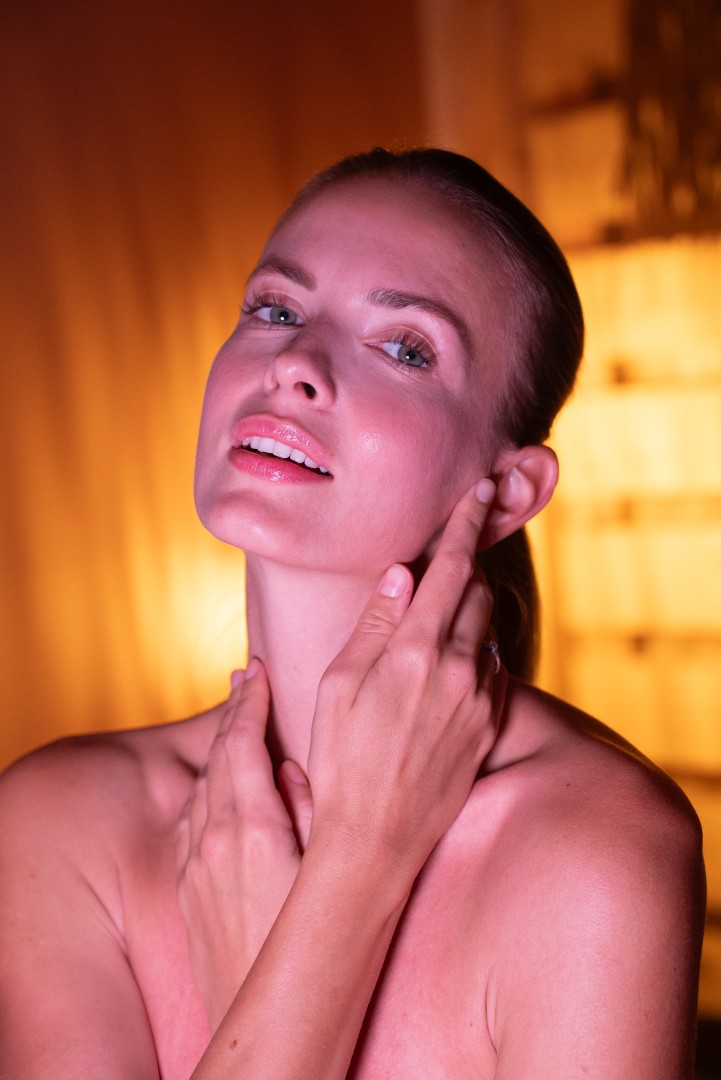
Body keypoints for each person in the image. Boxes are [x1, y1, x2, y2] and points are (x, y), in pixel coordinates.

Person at [0, 148, 705, 1080]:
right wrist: (349, 875)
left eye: (405, 347)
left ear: (507, 490)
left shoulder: (597, 851)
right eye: (275, 309)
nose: (293, 363)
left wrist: (297, 938)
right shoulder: (57, 831)